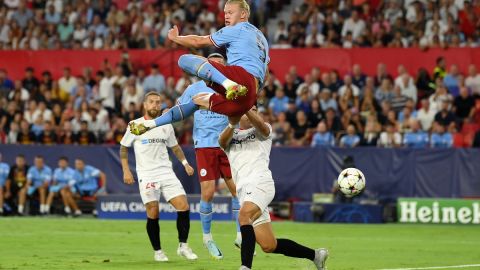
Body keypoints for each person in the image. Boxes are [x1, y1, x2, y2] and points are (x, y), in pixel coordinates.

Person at [129, 0, 269, 135]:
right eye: (225, 12)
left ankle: (228, 84)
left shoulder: (237, 29)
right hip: (248, 98)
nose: (226, 16)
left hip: (239, 79)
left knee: (184, 60)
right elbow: (266, 72)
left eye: (230, 12)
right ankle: (150, 124)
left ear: (243, 14)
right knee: (197, 100)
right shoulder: (262, 38)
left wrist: (176, 38)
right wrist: (253, 92)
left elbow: (198, 41)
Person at [218, 107, 328, 270]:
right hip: (245, 191)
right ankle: (316, 255)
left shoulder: (264, 130)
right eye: (248, 110)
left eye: (255, 110)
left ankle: (245, 267)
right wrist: (232, 121)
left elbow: (261, 126)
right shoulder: (229, 135)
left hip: (260, 183)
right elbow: (221, 142)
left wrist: (246, 108)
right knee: (269, 245)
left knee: (243, 216)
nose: (252, 113)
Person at [120, 91, 198, 262]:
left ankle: (183, 246)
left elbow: (175, 147)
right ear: (145, 105)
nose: (156, 105)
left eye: (158, 102)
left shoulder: (166, 124)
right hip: (147, 174)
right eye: (152, 102)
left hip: (166, 172)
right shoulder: (135, 125)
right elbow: (124, 148)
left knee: (183, 206)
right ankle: (158, 251)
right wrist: (126, 170)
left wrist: (185, 164)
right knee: (153, 212)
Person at [176, 53, 241, 259]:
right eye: (212, 64)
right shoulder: (193, 89)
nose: (216, 67)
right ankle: (207, 238)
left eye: (221, 64)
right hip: (205, 146)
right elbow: (180, 112)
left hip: (228, 145)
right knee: (208, 193)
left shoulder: (231, 87)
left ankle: (241, 234)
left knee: (238, 191)